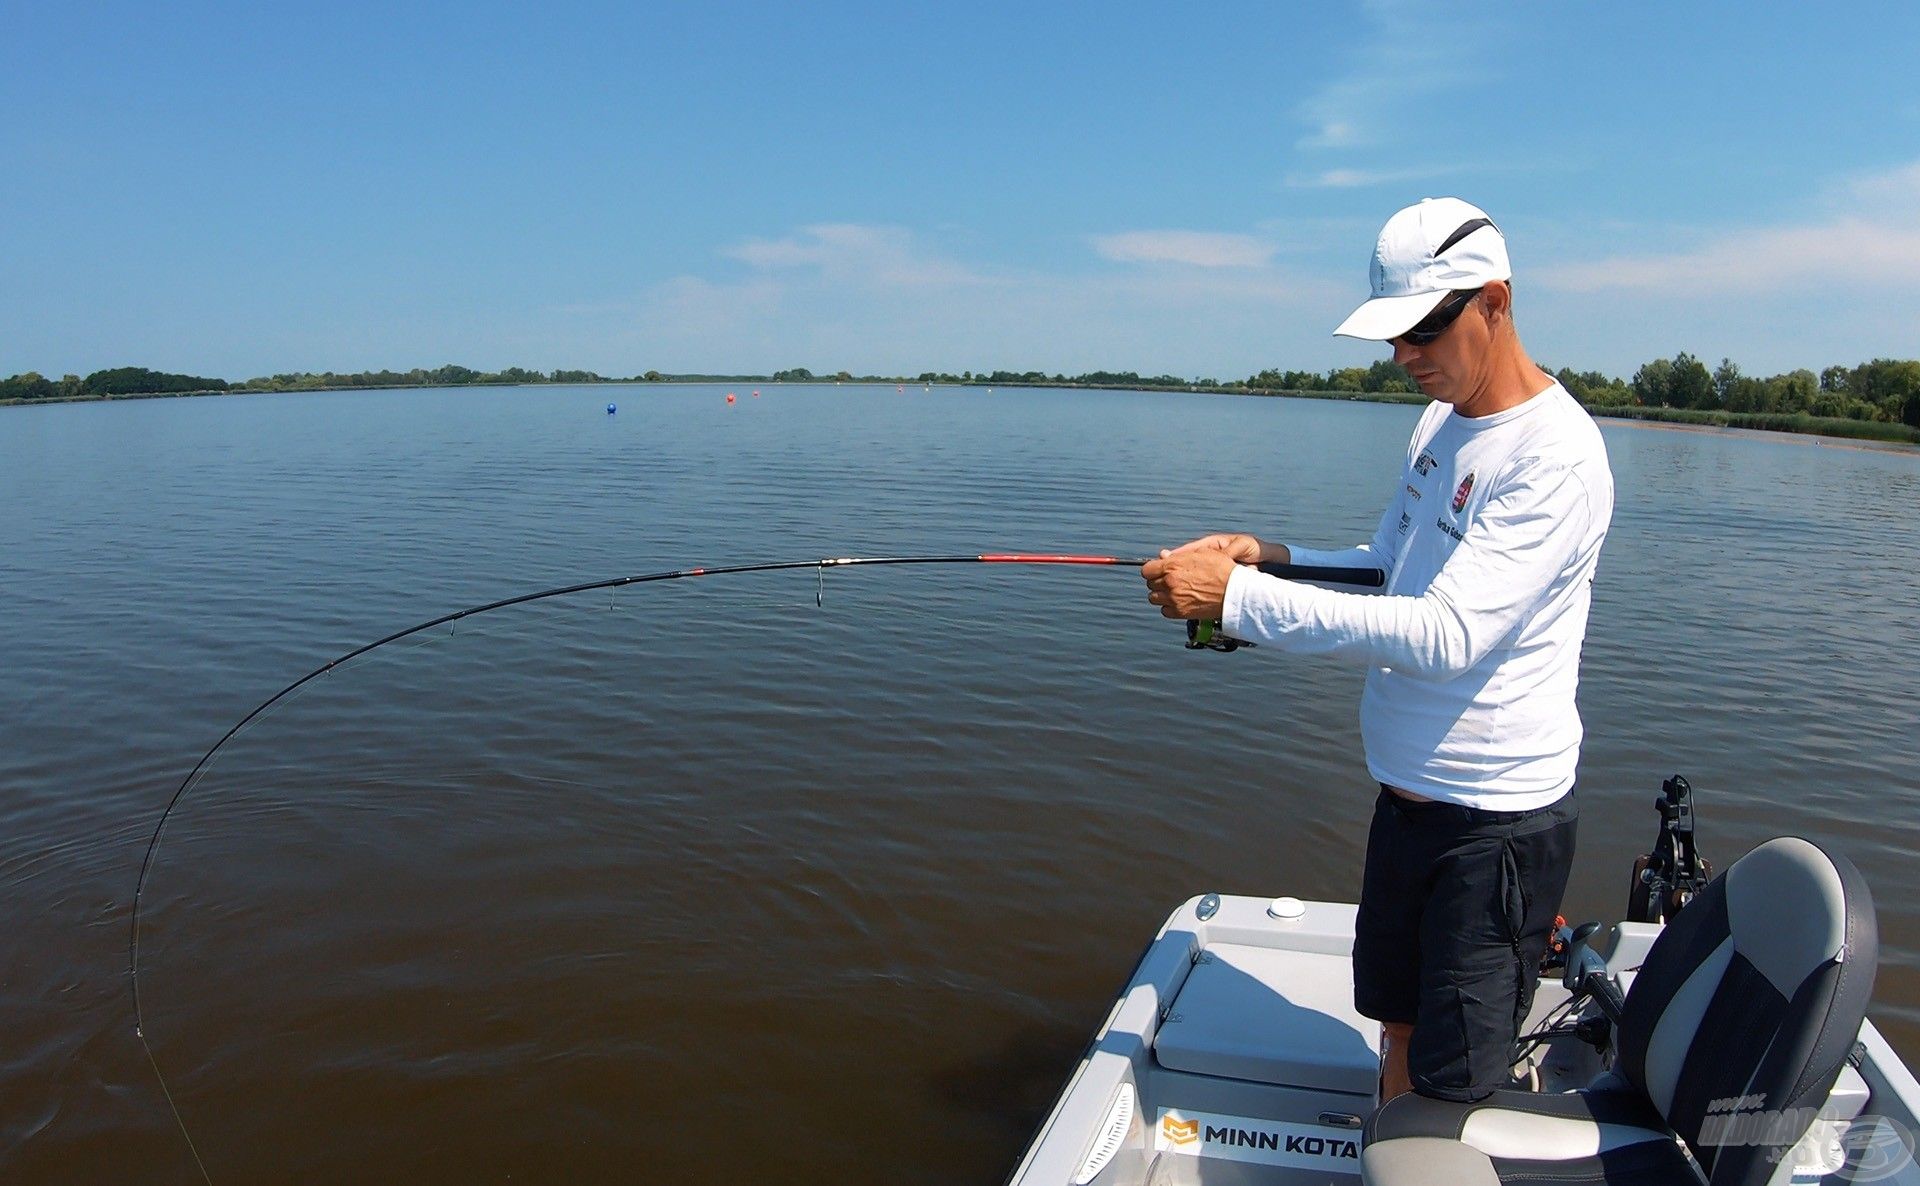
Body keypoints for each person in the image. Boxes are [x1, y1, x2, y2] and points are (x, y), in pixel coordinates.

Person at [1141, 197, 1614, 1105]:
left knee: (1453, 1075)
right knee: (1397, 1022)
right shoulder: (1440, 426)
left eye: (1423, 329)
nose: (1403, 356)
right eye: (1391, 336)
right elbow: (1392, 569)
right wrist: (1268, 559)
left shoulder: (1556, 456)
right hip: (1406, 809)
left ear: (1496, 302)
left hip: (1494, 830)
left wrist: (1240, 602)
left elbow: (1446, 635)